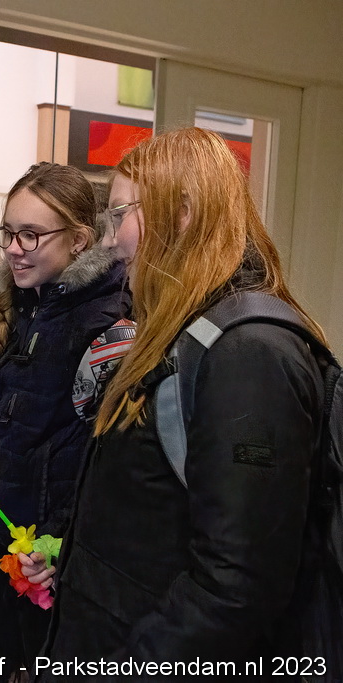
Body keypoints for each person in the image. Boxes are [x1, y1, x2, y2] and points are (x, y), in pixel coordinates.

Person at [32, 127, 325, 679]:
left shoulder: (249, 353)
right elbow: (152, 512)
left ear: (183, 214)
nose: (111, 241)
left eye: (121, 215)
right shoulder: (180, 332)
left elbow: (237, 585)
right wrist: (70, 557)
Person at [0, 162, 132, 681]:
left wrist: (57, 541)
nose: (14, 248)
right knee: (8, 659)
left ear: (79, 240)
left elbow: (102, 454)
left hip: (50, 552)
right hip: (6, 523)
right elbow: (20, 401)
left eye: (31, 234)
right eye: (8, 232)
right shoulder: (29, 301)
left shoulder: (106, 321)